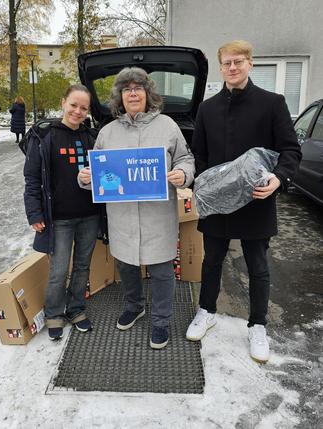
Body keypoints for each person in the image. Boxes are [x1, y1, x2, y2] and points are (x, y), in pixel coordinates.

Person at [186, 40, 302, 363]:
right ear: (220, 67)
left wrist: (279, 179)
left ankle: (258, 325)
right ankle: (206, 311)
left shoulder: (272, 103)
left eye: (239, 61)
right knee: (211, 261)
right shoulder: (207, 108)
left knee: (258, 266)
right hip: (218, 203)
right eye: (227, 63)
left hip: (256, 200)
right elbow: (200, 155)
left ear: (251, 63)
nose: (232, 68)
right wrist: (200, 183)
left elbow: (291, 150)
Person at [78, 67, 195, 349]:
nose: (132, 93)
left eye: (138, 88)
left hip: (158, 215)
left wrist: (182, 173)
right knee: (126, 265)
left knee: (162, 270)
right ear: (119, 96)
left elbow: (186, 158)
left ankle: (161, 321)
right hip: (122, 216)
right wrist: (85, 178)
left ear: (147, 94)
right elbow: (98, 171)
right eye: (127, 89)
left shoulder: (167, 125)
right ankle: (134, 305)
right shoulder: (107, 132)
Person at [24, 84, 100, 341]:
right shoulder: (43, 137)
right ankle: (55, 313)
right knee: (58, 270)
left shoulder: (91, 138)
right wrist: (34, 213)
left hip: (89, 215)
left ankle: (76, 308)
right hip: (59, 219)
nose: (77, 112)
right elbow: (32, 178)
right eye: (73, 105)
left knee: (82, 266)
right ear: (63, 103)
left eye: (83, 108)